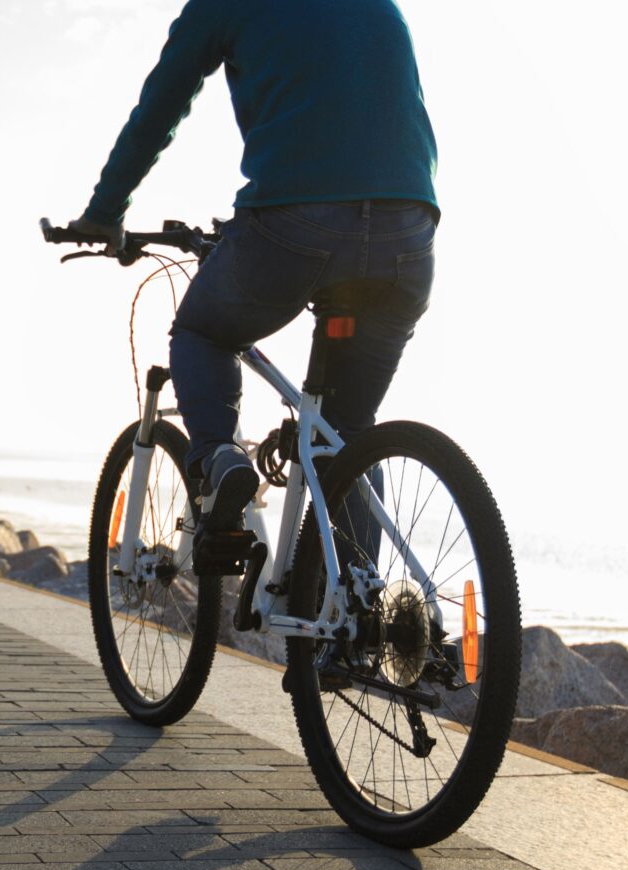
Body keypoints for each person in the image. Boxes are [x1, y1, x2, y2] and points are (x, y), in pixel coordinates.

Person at [69, 0, 438, 535]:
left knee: (202, 332)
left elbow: (159, 110)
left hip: (295, 219)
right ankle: (359, 603)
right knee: (349, 435)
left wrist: (104, 214)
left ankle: (221, 461)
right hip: (409, 229)